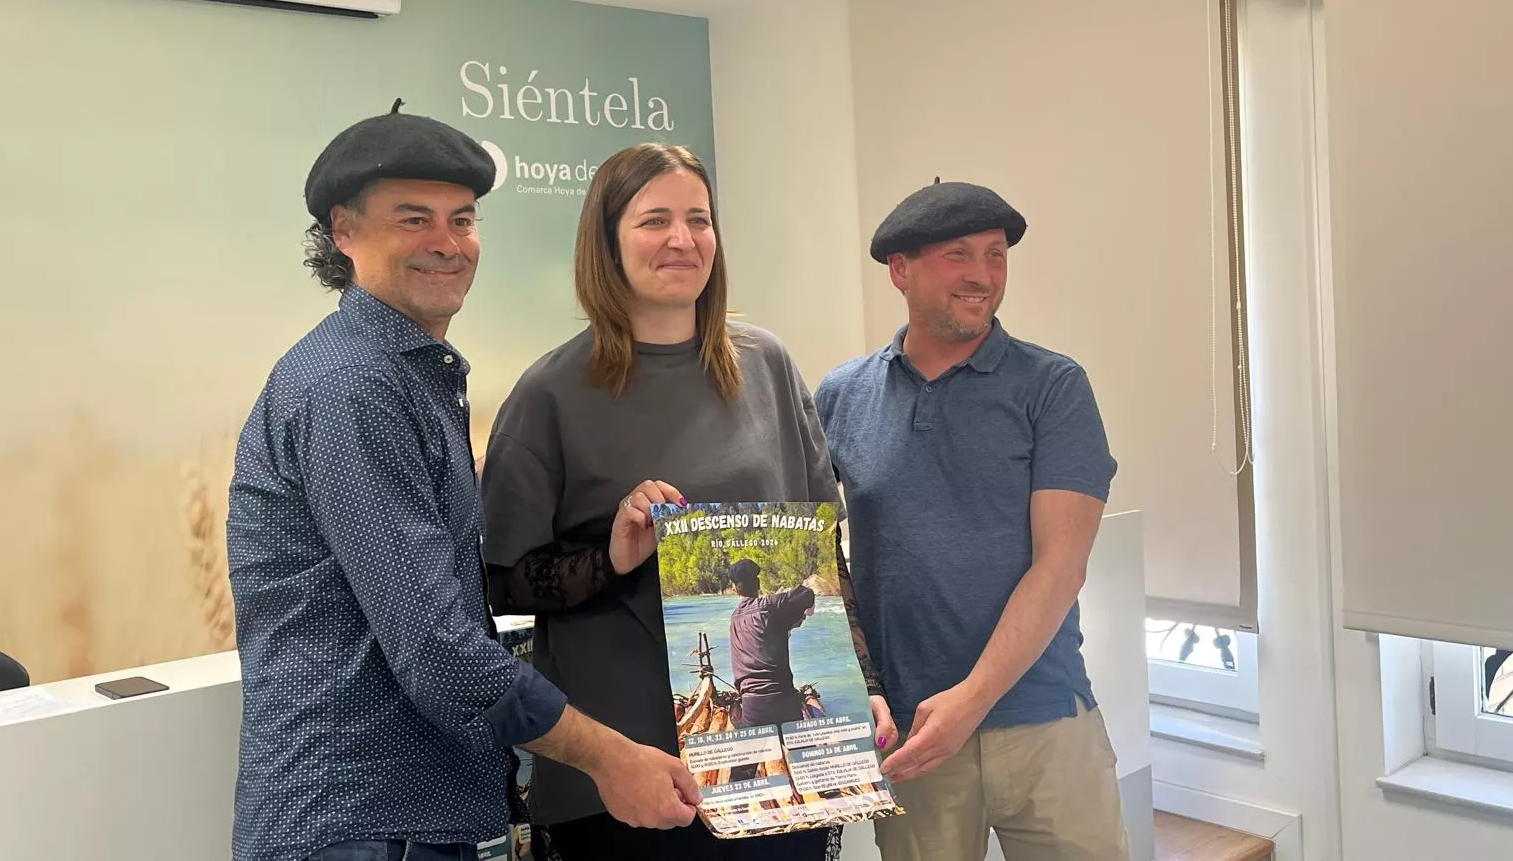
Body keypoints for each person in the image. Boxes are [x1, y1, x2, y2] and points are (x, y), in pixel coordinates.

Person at [225, 102, 700, 861]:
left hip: (403, 820)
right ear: (343, 231)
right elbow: (441, 654)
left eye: (462, 219)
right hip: (363, 823)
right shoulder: (355, 387)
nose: (446, 244)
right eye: (414, 220)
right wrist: (612, 758)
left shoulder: (408, 377)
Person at [478, 142, 897, 861]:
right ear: (606, 244)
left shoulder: (767, 365)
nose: (681, 239)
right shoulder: (549, 394)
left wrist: (863, 684)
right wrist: (609, 558)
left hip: (777, 770)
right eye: (654, 221)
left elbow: (820, 557)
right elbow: (502, 581)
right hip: (629, 785)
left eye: (698, 219)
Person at [814, 179, 1129, 861]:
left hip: (1045, 722)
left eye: (996, 255)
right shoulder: (840, 396)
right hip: (914, 734)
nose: (983, 276)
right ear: (901, 269)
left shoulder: (1054, 387)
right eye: (959, 255)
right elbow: (812, 566)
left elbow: (1062, 567)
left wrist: (970, 701)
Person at [727, 558, 817, 728]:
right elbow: (807, 594)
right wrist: (808, 612)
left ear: (736, 589)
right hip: (783, 698)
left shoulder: (734, 618)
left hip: (752, 705)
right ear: (758, 583)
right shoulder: (771, 604)